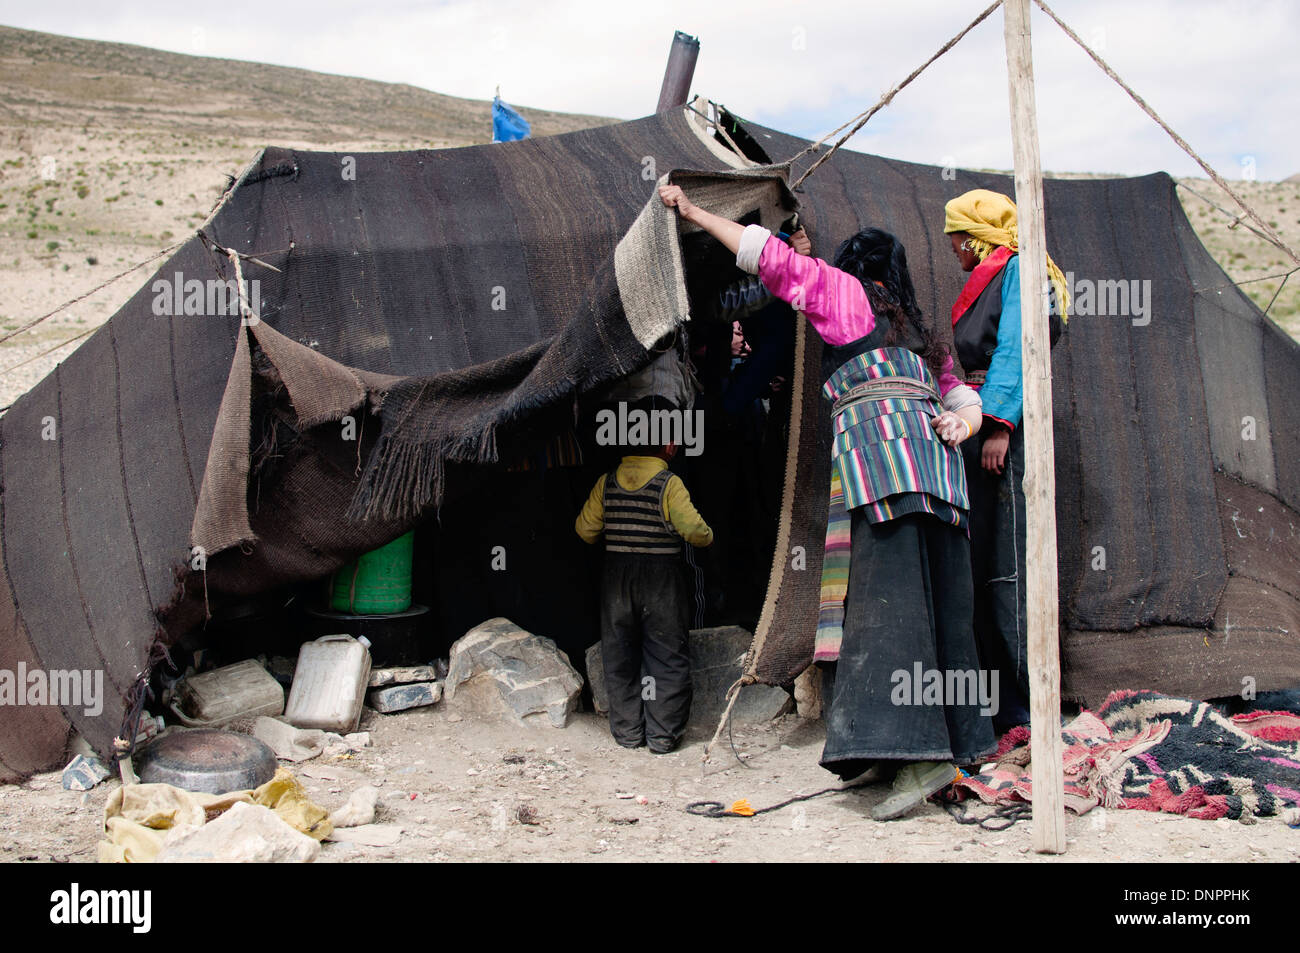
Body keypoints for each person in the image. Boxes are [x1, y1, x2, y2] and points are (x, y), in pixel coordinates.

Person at [659, 182, 994, 820]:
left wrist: (695, 211)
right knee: (940, 608)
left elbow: (769, 259)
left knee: (888, 614)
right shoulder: (924, 334)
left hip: (884, 473)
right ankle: (945, 744)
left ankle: (919, 758)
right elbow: (963, 404)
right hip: (942, 479)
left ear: (852, 268)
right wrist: (963, 427)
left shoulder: (845, 296)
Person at [943, 188, 1068, 732]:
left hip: (1006, 432)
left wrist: (996, 427)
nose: (951, 247)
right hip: (983, 425)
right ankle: (995, 703)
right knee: (983, 560)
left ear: (974, 234)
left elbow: (1017, 348)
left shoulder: (1020, 269)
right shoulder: (999, 273)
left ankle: (1027, 703)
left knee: (1009, 564)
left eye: (955, 236)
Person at [575, 443, 713, 753]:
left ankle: (628, 734)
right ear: (667, 446)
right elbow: (695, 531)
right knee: (666, 655)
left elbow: (585, 530)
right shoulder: (669, 484)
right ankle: (662, 736)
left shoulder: (606, 482)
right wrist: (708, 534)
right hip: (661, 578)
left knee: (620, 656)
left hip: (616, 579)